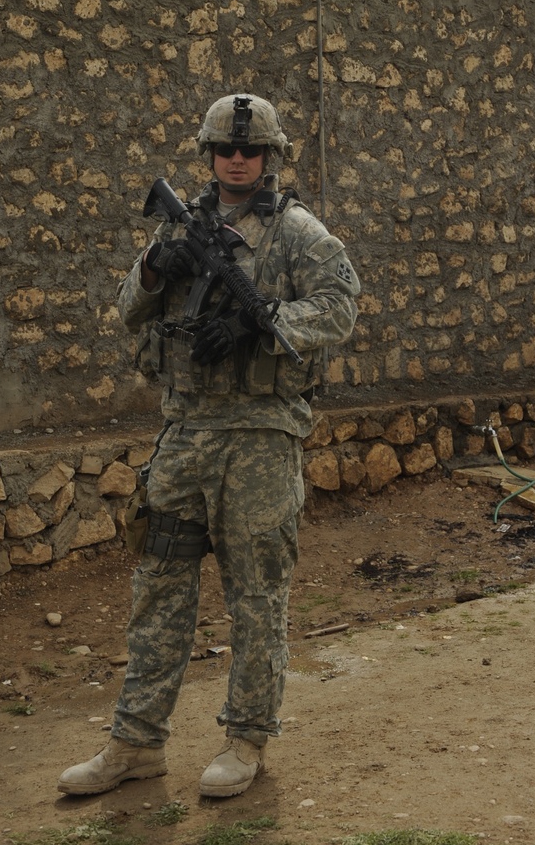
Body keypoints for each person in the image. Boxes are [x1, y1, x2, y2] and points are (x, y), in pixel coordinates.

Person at [58, 93, 360, 801]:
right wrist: (159, 264)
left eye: (250, 151)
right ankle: (134, 742)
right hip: (185, 432)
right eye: (226, 148)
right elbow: (128, 307)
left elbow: (341, 304)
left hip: (258, 435)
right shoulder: (179, 225)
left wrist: (265, 323)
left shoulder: (298, 233)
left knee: (256, 596)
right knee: (157, 589)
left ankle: (247, 739)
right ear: (209, 154)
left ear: (270, 157)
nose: (237, 159)